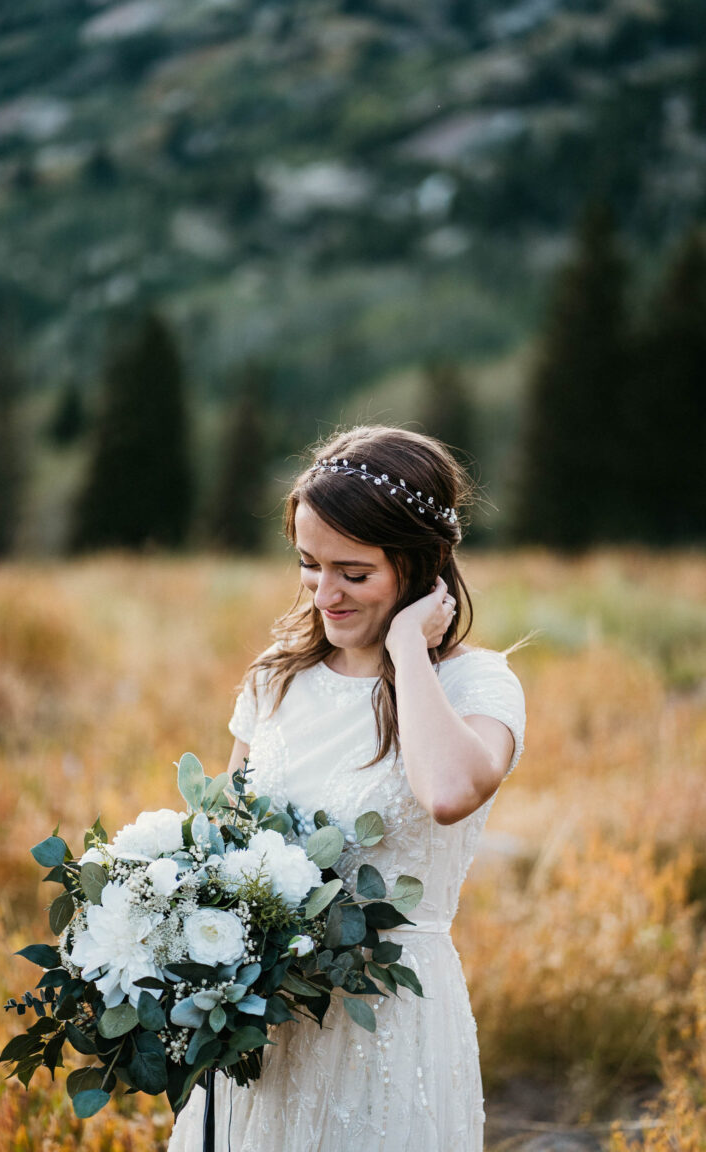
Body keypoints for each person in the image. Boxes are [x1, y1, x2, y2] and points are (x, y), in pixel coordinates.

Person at [168, 425, 526, 1152]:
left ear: (421, 567)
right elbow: (223, 846)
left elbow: (450, 791)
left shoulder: (476, 684)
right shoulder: (276, 680)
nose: (324, 593)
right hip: (265, 1025)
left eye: (353, 573)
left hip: (386, 1028)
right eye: (308, 564)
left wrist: (405, 650)